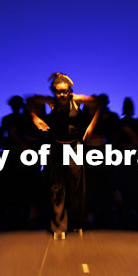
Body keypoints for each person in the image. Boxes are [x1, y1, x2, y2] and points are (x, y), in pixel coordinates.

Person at [27, 73, 99, 240]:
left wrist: (91, 127)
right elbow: (30, 100)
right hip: (57, 146)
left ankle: (77, 224)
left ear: (69, 91)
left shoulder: (77, 100)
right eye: (58, 91)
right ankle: (59, 226)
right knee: (57, 187)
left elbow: (97, 103)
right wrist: (35, 118)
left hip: (75, 147)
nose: (62, 95)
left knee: (76, 187)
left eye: (65, 91)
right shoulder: (51, 102)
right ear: (54, 91)